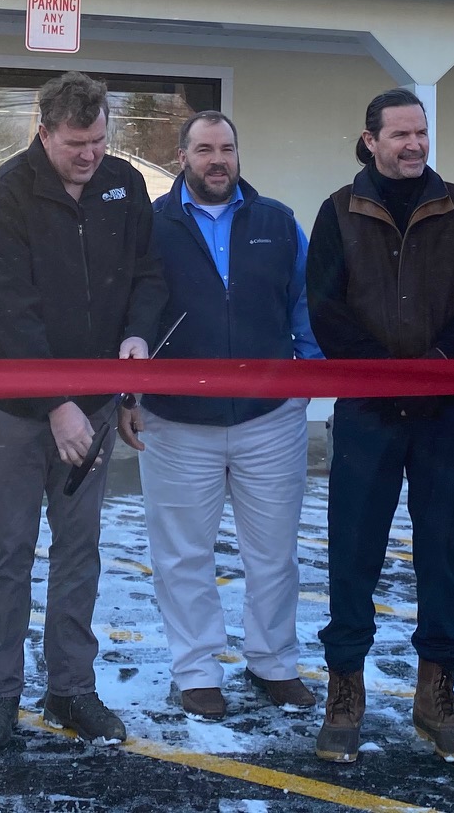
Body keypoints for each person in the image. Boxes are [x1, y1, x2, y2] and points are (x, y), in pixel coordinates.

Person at [0, 71, 169, 751]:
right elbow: (12, 308)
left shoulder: (124, 184)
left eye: (99, 141)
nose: (90, 155)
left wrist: (135, 343)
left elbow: (147, 274)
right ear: (44, 132)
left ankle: (71, 688)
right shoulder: (5, 195)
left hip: (99, 400)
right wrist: (56, 402)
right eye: (76, 143)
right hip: (17, 408)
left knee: (79, 549)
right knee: (10, 549)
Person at [306, 87, 454, 765]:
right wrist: (386, 379)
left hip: (446, 413)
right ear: (371, 141)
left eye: (421, 133)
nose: (414, 144)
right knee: (352, 553)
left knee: (442, 554)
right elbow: (325, 310)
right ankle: (344, 696)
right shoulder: (338, 211)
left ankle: (437, 699)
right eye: (400, 134)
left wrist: (436, 370)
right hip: (367, 413)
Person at [117, 111, 323, 720]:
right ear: (182, 156)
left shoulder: (277, 222)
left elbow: (306, 300)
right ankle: (197, 671)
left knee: (275, 553)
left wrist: (309, 377)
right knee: (183, 555)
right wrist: (128, 395)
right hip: (177, 422)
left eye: (227, 148)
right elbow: (129, 312)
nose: (217, 159)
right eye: (204, 149)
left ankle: (273, 663)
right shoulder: (151, 226)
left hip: (269, 418)